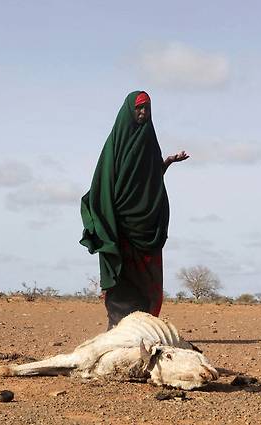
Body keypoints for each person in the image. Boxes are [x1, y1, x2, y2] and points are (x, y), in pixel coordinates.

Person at [80, 91, 189, 329]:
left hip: (145, 224)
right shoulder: (116, 141)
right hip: (121, 222)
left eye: (147, 109)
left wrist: (168, 162)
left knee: (145, 277)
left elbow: (149, 179)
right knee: (122, 274)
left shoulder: (150, 140)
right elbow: (104, 181)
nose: (143, 113)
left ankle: (142, 326)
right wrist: (106, 215)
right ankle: (116, 325)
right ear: (130, 110)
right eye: (139, 109)